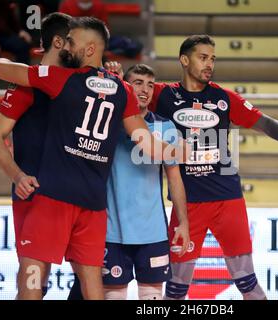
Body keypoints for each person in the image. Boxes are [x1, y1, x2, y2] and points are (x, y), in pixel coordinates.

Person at [0, 17, 179, 300]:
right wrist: (184, 151)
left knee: (49, 278)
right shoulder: (115, 88)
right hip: (73, 199)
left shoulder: (63, 79)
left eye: (74, 42)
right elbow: (146, 142)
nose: (70, 48)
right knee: (75, 284)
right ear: (58, 42)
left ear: (86, 48)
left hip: (56, 196)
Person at [147, 34, 278, 300]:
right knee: (175, 289)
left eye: (212, 59)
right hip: (187, 206)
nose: (209, 64)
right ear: (184, 60)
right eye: (203, 57)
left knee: (248, 284)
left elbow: (264, 122)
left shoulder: (224, 98)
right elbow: (131, 96)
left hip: (227, 201)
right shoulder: (162, 95)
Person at [68, 64, 190, 300]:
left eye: (150, 85)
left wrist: (183, 223)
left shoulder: (165, 127)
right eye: (138, 83)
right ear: (125, 86)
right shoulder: (107, 124)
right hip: (111, 232)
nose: (145, 90)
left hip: (153, 233)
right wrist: (110, 82)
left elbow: (175, 178)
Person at [0, 12, 72, 299]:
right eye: (76, 40)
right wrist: (17, 175)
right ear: (59, 42)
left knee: (93, 281)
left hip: (80, 195)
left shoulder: (81, 81)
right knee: (34, 283)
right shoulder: (28, 82)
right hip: (35, 195)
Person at [59, 0, 143, 58]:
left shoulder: (99, 5)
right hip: (74, 42)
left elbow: (104, 29)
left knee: (133, 44)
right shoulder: (67, 5)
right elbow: (63, 29)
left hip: (96, 41)